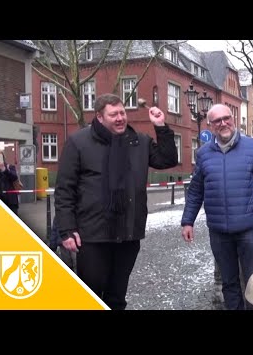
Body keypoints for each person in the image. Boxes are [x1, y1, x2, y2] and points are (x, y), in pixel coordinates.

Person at [54, 93, 178, 310]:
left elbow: (167, 160)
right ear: (100, 117)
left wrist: (161, 126)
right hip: (92, 234)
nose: (120, 118)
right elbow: (65, 190)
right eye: (114, 115)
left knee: (117, 295)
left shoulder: (139, 142)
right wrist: (66, 229)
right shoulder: (78, 142)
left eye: (122, 113)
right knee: (91, 291)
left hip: (128, 232)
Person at [181, 104, 253, 310]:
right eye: (217, 121)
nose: (223, 123)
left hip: (248, 229)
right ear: (211, 125)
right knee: (229, 283)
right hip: (219, 232)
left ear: (233, 119)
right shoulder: (204, 154)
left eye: (227, 118)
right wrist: (187, 221)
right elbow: (196, 190)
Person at [0, 150, 20, 215]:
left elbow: (14, 178)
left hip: (11, 201)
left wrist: (4, 169)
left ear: (3, 157)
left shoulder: (10, 167)